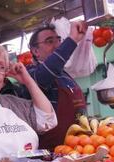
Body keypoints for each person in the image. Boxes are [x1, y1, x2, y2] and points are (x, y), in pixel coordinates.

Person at [8, 22, 88, 151]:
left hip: (81, 147)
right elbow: (46, 74)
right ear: (35, 51)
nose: (57, 45)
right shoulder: (32, 73)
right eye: (50, 41)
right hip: (52, 153)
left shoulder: (65, 75)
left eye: (58, 40)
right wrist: (72, 40)